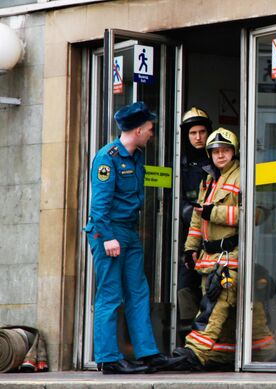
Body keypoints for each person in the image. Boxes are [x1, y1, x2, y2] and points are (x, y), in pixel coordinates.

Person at [84, 101, 183, 374]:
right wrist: (107, 237)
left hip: (128, 230)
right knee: (110, 295)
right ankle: (108, 359)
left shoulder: (137, 156)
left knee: (138, 292)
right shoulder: (108, 158)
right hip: (109, 232)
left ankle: (148, 353)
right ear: (138, 130)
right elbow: (99, 206)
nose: (152, 133)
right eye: (150, 129)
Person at [173, 128, 276, 371]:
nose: (220, 155)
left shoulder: (243, 176)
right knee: (245, 311)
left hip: (231, 255)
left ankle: (195, 352)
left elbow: (256, 214)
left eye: (225, 150)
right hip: (209, 257)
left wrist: (214, 212)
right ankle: (262, 351)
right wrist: (190, 249)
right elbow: (198, 219)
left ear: (234, 152)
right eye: (216, 151)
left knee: (214, 304)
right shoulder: (208, 179)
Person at [177, 107, 213, 341]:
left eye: (202, 132)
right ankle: (186, 339)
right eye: (193, 133)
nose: (198, 137)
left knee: (211, 287)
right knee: (184, 285)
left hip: (213, 236)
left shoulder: (219, 160)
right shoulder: (179, 164)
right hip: (187, 236)